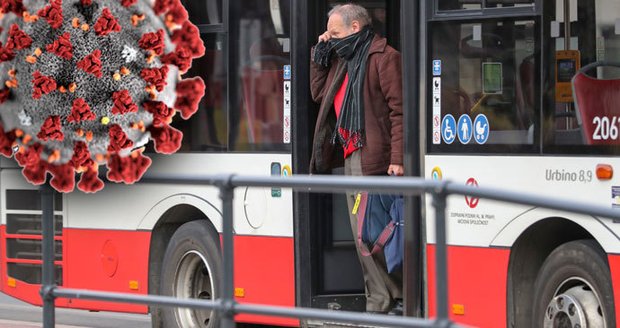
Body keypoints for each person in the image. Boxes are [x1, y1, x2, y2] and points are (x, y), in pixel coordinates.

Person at [309, 3, 404, 315]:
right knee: (362, 233)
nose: (328, 37)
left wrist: (397, 157)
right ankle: (381, 297)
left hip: (374, 158)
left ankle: (385, 299)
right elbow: (319, 95)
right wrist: (319, 56)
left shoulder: (384, 57)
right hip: (352, 154)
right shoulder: (342, 58)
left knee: (371, 234)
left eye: (334, 32)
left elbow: (399, 112)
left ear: (355, 28)